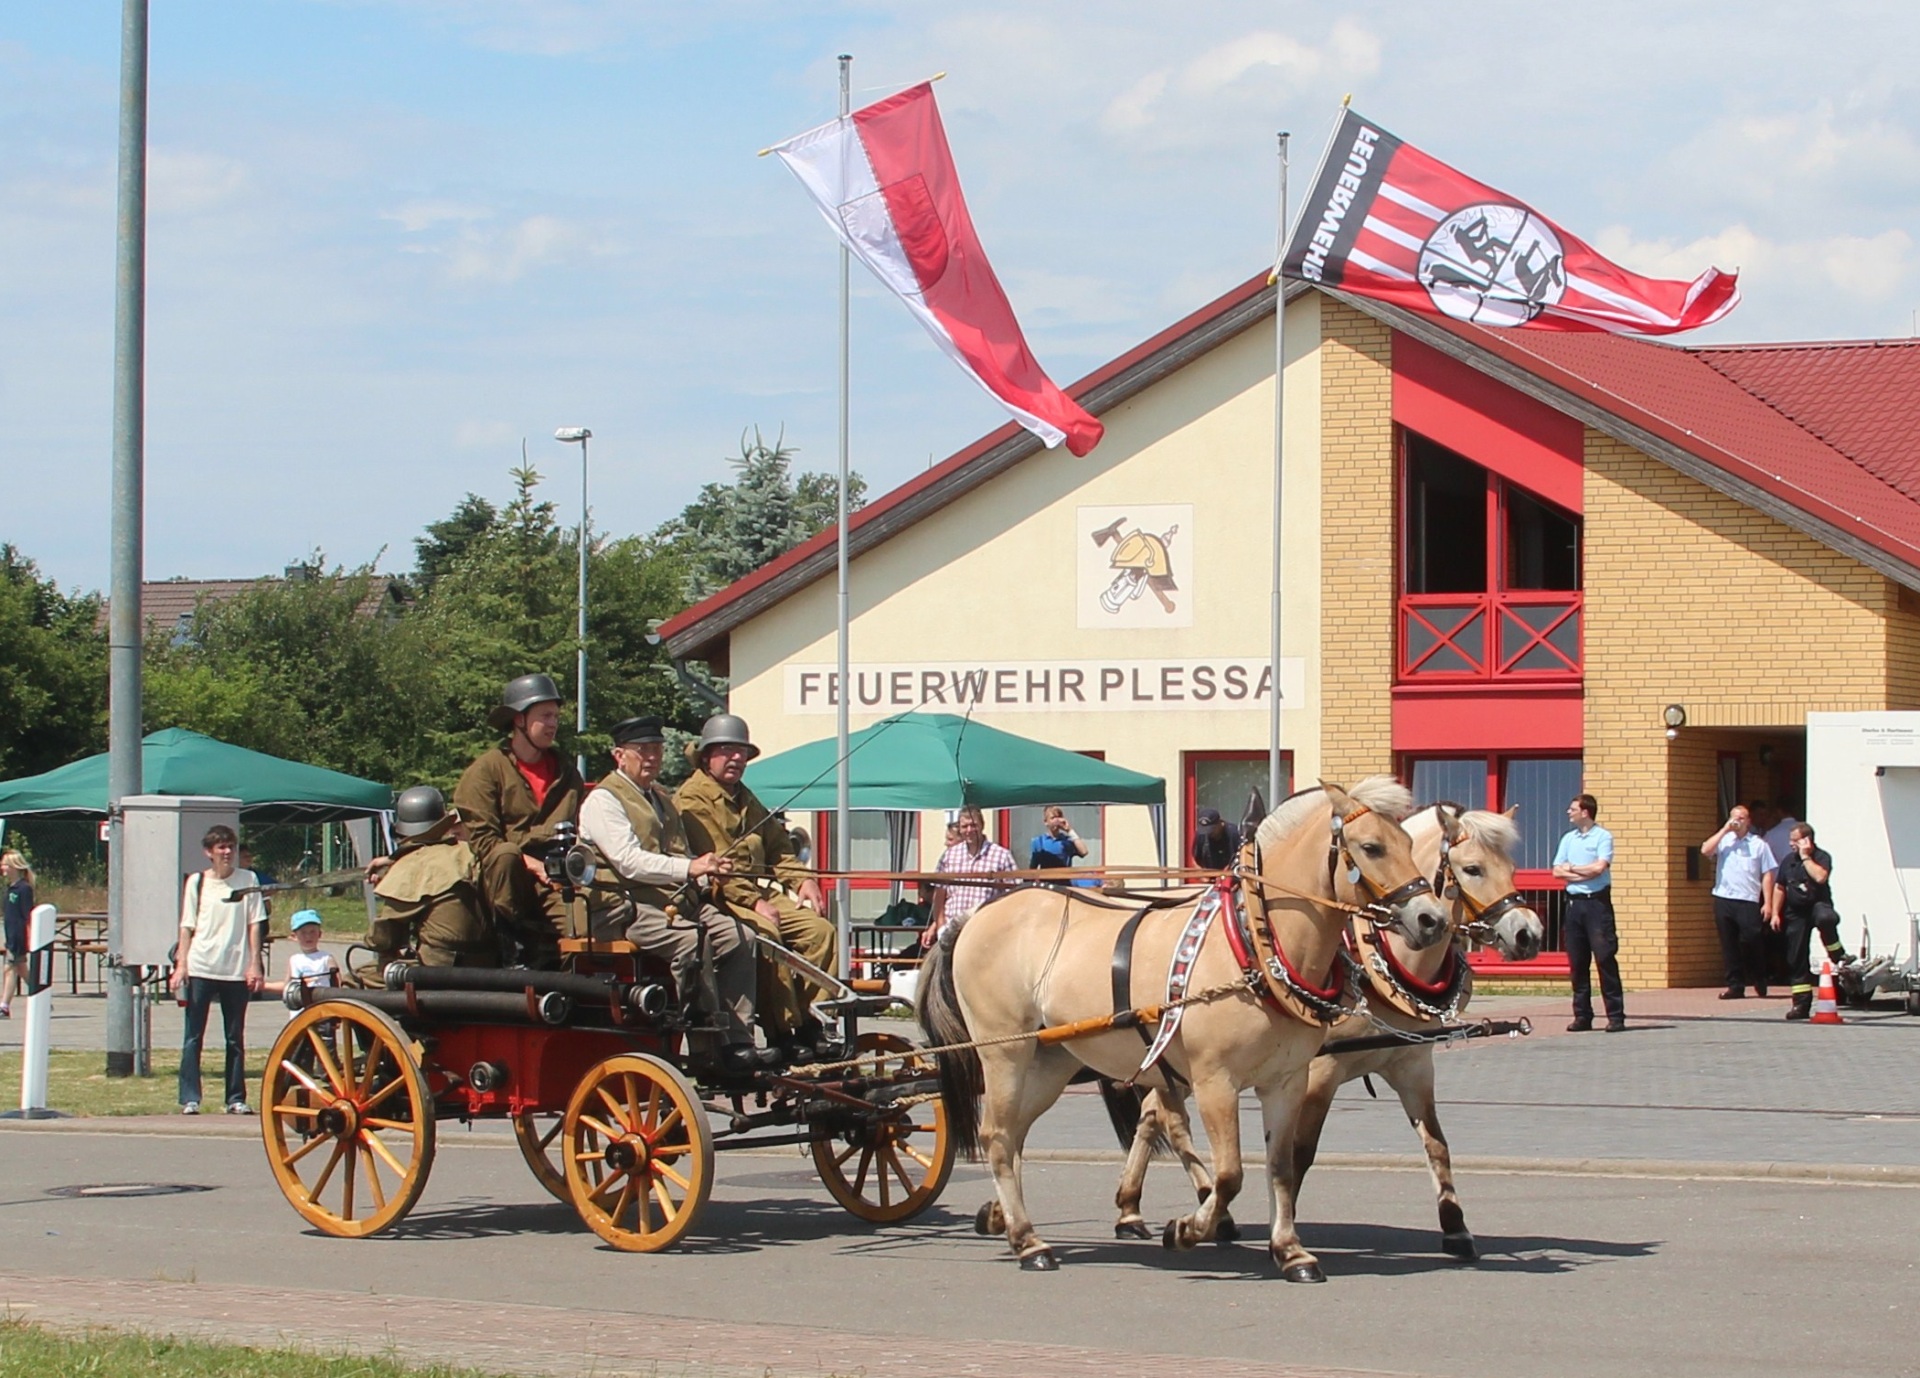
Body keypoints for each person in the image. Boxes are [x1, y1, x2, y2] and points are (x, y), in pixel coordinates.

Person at [579, 715, 778, 1076]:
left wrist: (706, 872)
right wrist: (690, 869)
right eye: (642, 751)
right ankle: (703, 1044)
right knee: (691, 942)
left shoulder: (660, 798)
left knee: (740, 937)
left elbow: (676, 852)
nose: (652, 757)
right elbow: (628, 862)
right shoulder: (603, 801)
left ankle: (739, 1042)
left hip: (672, 900)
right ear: (619, 755)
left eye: (656, 749)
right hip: (624, 906)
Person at [676, 713, 840, 1060]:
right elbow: (718, 864)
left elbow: (779, 847)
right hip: (719, 896)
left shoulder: (746, 798)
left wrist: (803, 881)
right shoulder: (693, 799)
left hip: (758, 893)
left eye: (741, 752)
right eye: (726, 750)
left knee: (820, 932)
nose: (736, 758)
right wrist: (753, 904)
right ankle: (782, 1032)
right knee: (767, 934)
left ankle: (813, 1020)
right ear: (707, 756)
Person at [452, 673, 586, 967]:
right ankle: (510, 948)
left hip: (557, 875)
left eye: (556, 716)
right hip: (506, 879)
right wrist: (533, 865)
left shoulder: (567, 773)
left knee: (584, 933)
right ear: (519, 721)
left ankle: (570, 988)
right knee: (505, 854)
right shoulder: (486, 771)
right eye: (545, 716)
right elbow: (485, 843)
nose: (553, 724)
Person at [170, 824, 265, 1115]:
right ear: (209, 852)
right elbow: (187, 926)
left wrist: (254, 963)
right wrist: (181, 965)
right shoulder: (197, 882)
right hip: (201, 965)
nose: (227, 852)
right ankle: (190, 1097)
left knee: (235, 1037)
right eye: (221, 848)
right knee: (193, 1035)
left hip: (235, 969)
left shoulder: (247, 879)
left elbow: (254, 924)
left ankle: (235, 1097)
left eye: (230, 847)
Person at [367, 785, 497, 971]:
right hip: (488, 964)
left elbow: (385, 935)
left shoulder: (413, 865)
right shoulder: (470, 851)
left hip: (436, 969)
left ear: (403, 831)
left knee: (356, 979)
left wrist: (372, 942)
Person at [1552, 794, 1624, 1032]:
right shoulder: (1568, 839)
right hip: (1574, 904)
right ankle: (1582, 1015)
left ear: (1585, 812)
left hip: (1597, 904)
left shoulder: (1603, 837)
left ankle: (1615, 1015)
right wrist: (1578, 872)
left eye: (1573, 809)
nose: (1568, 812)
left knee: (1604, 958)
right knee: (1578, 962)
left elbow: (1599, 868)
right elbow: (1556, 871)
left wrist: (1572, 869)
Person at [1771, 823, 1850, 1021]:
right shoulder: (1788, 861)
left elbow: (1821, 877)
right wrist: (1774, 913)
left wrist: (1806, 857)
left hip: (1818, 905)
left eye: (1795, 840)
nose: (1791, 844)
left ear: (1807, 840)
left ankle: (1836, 952)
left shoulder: (1822, 857)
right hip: (1796, 912)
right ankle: (1801, 1004)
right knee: (1795, 957)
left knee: (1827, 918)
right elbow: (1779, 887)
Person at [1702, 804, 1777, 999]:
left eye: (1741, 818)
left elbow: (1767, 874)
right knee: (1729, 943)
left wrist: (1767, 902)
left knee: (1751, 939)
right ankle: (1735, 985)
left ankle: (1759, 976)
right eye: (1734, 818)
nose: (1738, 822)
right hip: (1724, 897)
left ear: (1748, 821)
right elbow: (1705, 850)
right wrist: (1725, 829)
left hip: (1748, 899)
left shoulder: (1759, 844)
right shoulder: (1724, 840)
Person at [925, 805, 1017, 947]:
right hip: (952, 930)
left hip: (985, 930)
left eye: (973, 825)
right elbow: (939, 893)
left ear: (982, 826)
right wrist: (940, 926)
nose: (969, 830)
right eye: (964, 826)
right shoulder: (949, 855)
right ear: (960, 829)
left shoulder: (1001, 855)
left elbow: (1014, 895)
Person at [269, 909, 339, 1011]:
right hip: (299, 1009)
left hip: (322, 1008)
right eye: (303, 933)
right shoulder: (294, 960)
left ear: (319, 934)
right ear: (294, 936)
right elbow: (287, 985)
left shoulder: (326, 958)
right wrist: (265, 986)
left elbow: (338, 984)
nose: (308, 936)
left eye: (312, 932)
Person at [1, 851, 36, 1018]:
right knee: (22, 970)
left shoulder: (24, 889)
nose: (3, 868)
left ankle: (4, 1006)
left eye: (6, 864)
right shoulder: (11, 888)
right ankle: (40, 994)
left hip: (18, 937)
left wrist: (25, 937)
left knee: (9, 969)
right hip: (10, 934)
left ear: (15, 866)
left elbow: (26, 915)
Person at [1027, 806, 1089, 885]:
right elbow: (1032, 868)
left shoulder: (1067, 841)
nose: (1056, 821)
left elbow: (1084, 851)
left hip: (1064, 886)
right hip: (1046, 886)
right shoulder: (1038, 841)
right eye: (1053, 818)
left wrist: (1069, 830)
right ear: (1046, 822)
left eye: (1058, 817)